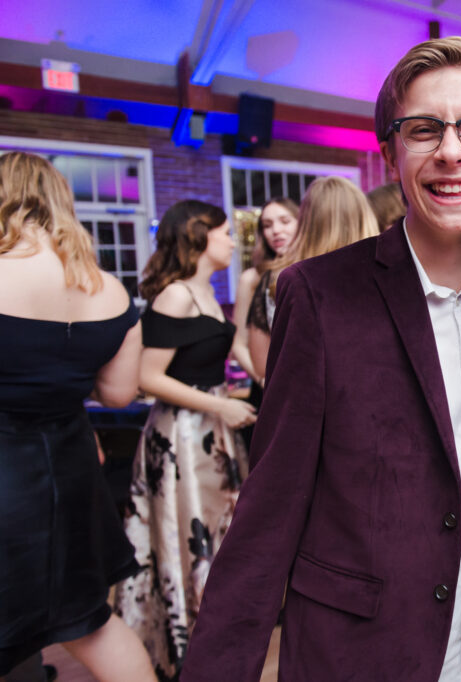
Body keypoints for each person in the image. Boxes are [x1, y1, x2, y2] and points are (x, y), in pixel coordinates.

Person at [180, 36, 461, 680]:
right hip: (362, 651)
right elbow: (272, 503)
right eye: (424, 130)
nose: (452, 151)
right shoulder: (319, 294)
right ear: (390, 154)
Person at [0, 151, 155, 682]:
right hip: (70, 472)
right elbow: (117, 394)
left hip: (7, 474)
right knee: (91, 622)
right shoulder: (107, 289)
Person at [114, 200, 256, 680]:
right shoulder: (175, 295)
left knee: (218, 536)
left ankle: (208, 646)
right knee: (186, 538)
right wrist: (222, 406)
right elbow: (146, 377)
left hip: (209, 433)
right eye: (225, 232)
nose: (233, 241)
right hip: (181, 435)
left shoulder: (207, 292)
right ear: (199, 235)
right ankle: (186, 652)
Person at [245, 176, 378, 382]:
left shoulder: (280, 280)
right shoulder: (386, 278)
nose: (276, 230)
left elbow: (262, 366)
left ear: (305, 221)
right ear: (363, 216)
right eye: (267, 225)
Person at [230, 196, 299, 388]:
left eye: (285, 221)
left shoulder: (312, 270)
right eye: (267, 225)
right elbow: (239, 343)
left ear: (301, 224)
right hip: (268, 383)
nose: (276, 231)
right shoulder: (252, 277)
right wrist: (264, 380)